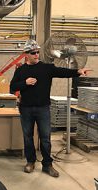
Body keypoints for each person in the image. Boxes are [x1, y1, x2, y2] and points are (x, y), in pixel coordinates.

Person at [10, 39, 90, 178]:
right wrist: (25, 83)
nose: (36, 55)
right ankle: (30, 162)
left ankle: (47, 165)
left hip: (43, 109)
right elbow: (12, 87)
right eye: (33, 52)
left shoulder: (46, 68)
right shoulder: (21, 70)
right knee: (28, 137)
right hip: (26, 109)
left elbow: (62, 72)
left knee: (46, 138)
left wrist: (78, 71)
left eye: (37, 52)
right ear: (26, 54)